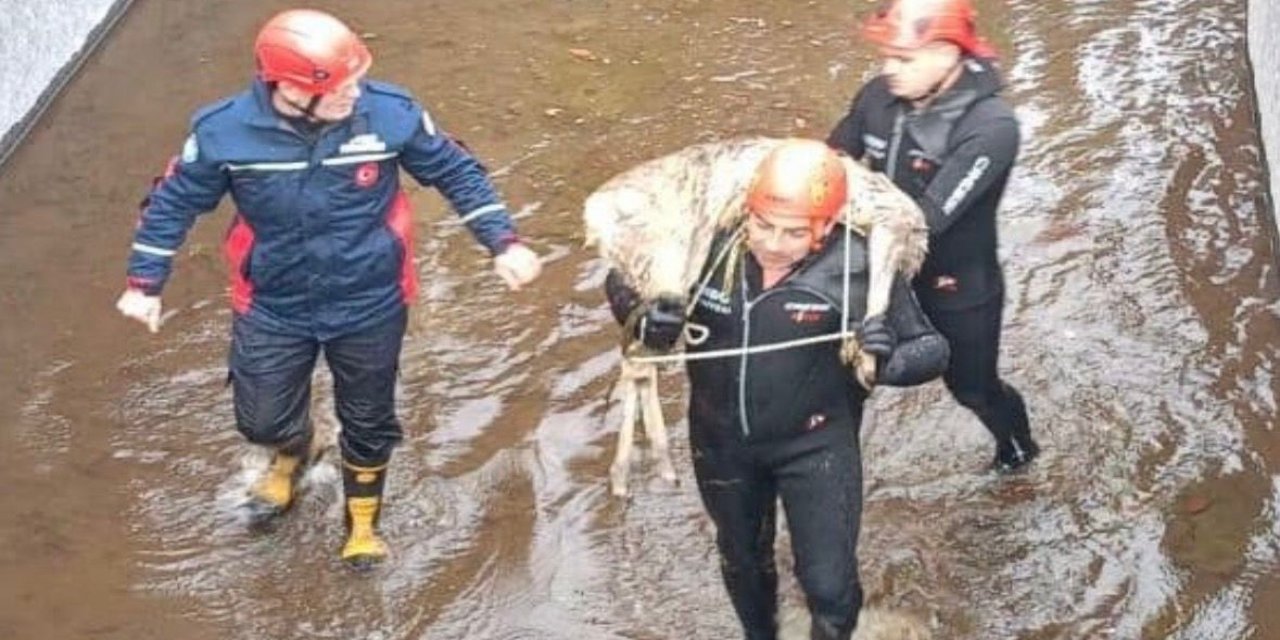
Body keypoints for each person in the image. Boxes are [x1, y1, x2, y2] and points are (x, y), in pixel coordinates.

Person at [114, 9, 541, 568]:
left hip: (370, 299)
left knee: (368, 419)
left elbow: (456, 171)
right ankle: (294, 451)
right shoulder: (221, 133)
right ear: (291, 89)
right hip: (272, 301)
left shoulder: (390, 115)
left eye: (357, 80)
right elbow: (173, 201)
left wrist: (502, 243)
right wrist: (145, 284)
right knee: (260, 419)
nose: (355, 94)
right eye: (341, 86)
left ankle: (362, 522)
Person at [604, 140, 948, 640]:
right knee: (742, 561)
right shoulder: (705, 247)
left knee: (830, 590)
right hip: (720, 444)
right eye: (762, 224)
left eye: (792, 233)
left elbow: (932, 349)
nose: (771, 242)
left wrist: (888, 356)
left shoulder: (858, 266)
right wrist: (646, 319)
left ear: (825, 228)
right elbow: (621, 280)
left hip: (816, 447)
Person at [827, 0, 1039, 473]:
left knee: (973, 389)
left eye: (903, 59)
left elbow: (925, 221)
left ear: (946, 54)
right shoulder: (877, 98)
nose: (889, 70)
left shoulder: (990, 127)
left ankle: (1018, 452)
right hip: (879, 269)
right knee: (839, 378)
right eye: (886, 57)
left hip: (956, 284)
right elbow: (828, 164)